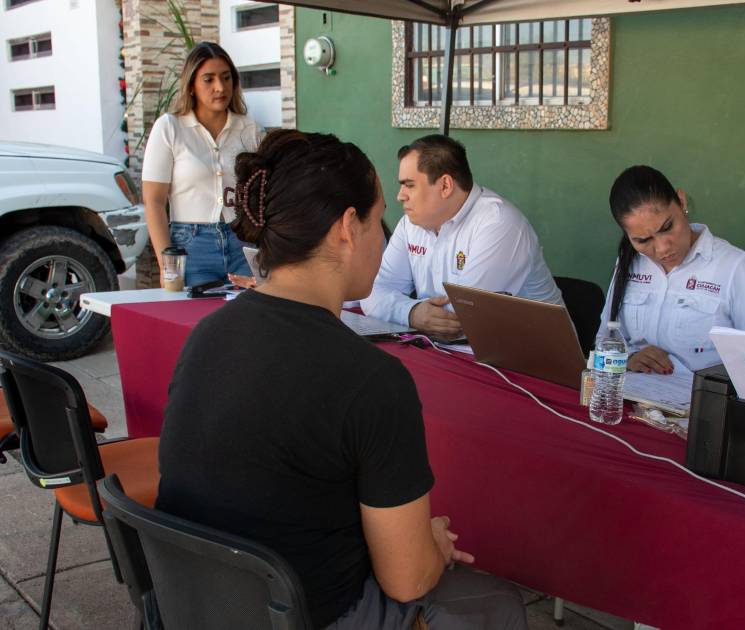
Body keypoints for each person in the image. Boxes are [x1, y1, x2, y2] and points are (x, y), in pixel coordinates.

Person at [156, 129, 528, 630]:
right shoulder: (371, 380)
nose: (387, 238)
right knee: (497, 602)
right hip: (305, 615)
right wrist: (433, 546)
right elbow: (408, 580)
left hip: (193, 603)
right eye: (380, 221)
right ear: (348, 228)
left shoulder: (208, 333)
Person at [361, 134, 563, 338]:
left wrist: (403, 310)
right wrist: (412, 312)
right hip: (451, 347)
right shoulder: (411, 224)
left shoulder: (498, 223)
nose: (400, 195)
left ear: (445, 186)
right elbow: (371, 293)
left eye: (409, 185)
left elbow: (460, 319)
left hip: (532, 353)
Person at [599, 165, 745, 374]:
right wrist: (628, 359)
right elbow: (604, 342)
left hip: (704, 393)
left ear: (682, 201)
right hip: (636, 390)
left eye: (667, 227)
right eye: (643, 240)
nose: (662, 248)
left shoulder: (734, 266)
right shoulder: (628, 262)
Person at [141, 41, 261, 287]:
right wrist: (167, 265)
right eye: (209, 79)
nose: (220, 87)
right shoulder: (170, 128)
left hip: (243, 242)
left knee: (250, 311)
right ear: (192, 86)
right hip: (191, 247)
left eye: (226, 78)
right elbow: (154, 202)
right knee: (194, 311)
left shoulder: (250, 130)